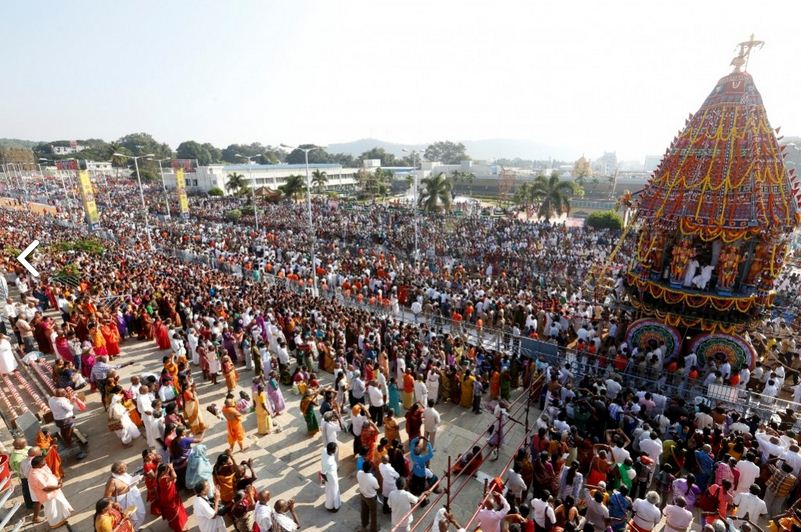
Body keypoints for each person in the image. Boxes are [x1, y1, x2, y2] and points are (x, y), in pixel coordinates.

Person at [28, 455, 73, 529]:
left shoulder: (41, 467)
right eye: (43, 463)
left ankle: (62, 518)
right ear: (37, 465)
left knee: (58, 505)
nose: (45, 463)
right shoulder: (35, 476)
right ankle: (54, 524)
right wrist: (57, 487)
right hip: (47, 496)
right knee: (52, 510)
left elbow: (49, 475)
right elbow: (45, 488)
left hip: (54, 492)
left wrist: (57, 480)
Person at [103, 461, 146, 530]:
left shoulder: (124, 474)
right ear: (119, 470)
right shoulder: (112, 482)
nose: (126, 468)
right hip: (124, 502)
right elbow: (106, 497)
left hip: (133, 497)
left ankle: (136, 529)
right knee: (131, 519)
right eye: (125, 467)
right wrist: (114, 504)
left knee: (141, 513)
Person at [157, 463, 188, 532]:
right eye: (167, 469)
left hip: (169, 496)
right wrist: (172, 468)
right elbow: (174, 476)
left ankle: (174, 524)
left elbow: (173, 480)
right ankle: (180, 529)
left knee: (172, 513)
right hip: (169, 499)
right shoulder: (163, 478)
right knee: (175, 513)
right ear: (162, 471)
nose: (168, 470)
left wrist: (172, 475)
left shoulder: (162, 476)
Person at [357, 460, 380, 532]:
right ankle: (373, 529)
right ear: (370, 469)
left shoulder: (359, 473)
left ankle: (364, 525)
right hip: (371, 498)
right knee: (373, 513)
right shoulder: (373, 479)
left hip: (363, 495)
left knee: (364, 511)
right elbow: (377, 488)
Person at [321, 441, 341, 512]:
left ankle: (331, 504)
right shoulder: (327, 462)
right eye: (335, 449)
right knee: (334, 491)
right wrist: (327, 480)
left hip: (332, 475)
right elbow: (323, 473)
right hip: (331, 477)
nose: (336, 450)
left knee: (330, 491)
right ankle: (334, 506)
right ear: (332, 451)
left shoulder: (324, 450)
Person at [141, 449, 161, 517]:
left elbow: (159, 458)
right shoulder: (146, 465)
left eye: (150, 455)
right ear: (144, 458)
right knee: (155, 496)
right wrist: (158, 467)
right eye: (147, 456)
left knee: (159, 494)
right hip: (151, 482)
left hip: (157, 479)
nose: (149, 457)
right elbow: (153, 477)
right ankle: (156, 511)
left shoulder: (153, 459)